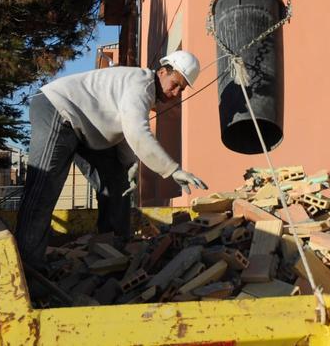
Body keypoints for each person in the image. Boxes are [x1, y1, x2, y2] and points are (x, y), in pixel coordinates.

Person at [15, 50, 209, 274]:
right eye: (174, 84)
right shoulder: (141, 84)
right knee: (43, 190)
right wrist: (172, 170)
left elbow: (123, 133)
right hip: (58, 109)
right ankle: (28, 272)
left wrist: (130, 166)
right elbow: (137, 131)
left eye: (181, 89)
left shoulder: (143, 94)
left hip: (86, 129)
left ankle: (114, 252)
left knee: (117, 183)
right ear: (163, 71)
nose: (175, 93)